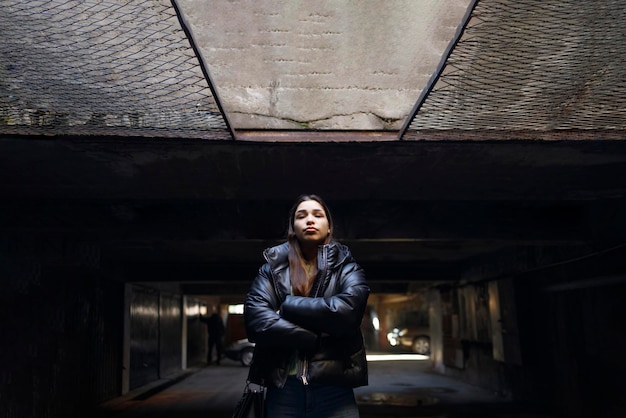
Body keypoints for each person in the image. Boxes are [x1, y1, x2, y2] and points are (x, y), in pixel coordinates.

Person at [244, 194, 370, 418]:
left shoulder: (348, 268)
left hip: (335, 389)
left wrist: (286, 308)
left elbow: (346, 314)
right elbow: (257, 322)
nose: (309, 220)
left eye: (317, 215)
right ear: (293, 227)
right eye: (301, 216)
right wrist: (317, 337)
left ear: (329, 227)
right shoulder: (271, 269)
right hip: (284, 390)